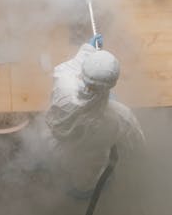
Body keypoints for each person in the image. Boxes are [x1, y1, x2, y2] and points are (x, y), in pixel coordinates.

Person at [44, 34, 144, 199]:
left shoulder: (64, 86)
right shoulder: (120, 116)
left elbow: (65, 69)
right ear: (113, 84)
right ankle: (82, 192)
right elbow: (135, 142)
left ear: (82, 73)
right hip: (89, 157)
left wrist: (88, 50)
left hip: (59, 144)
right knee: (86, 177)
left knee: (62, 162)